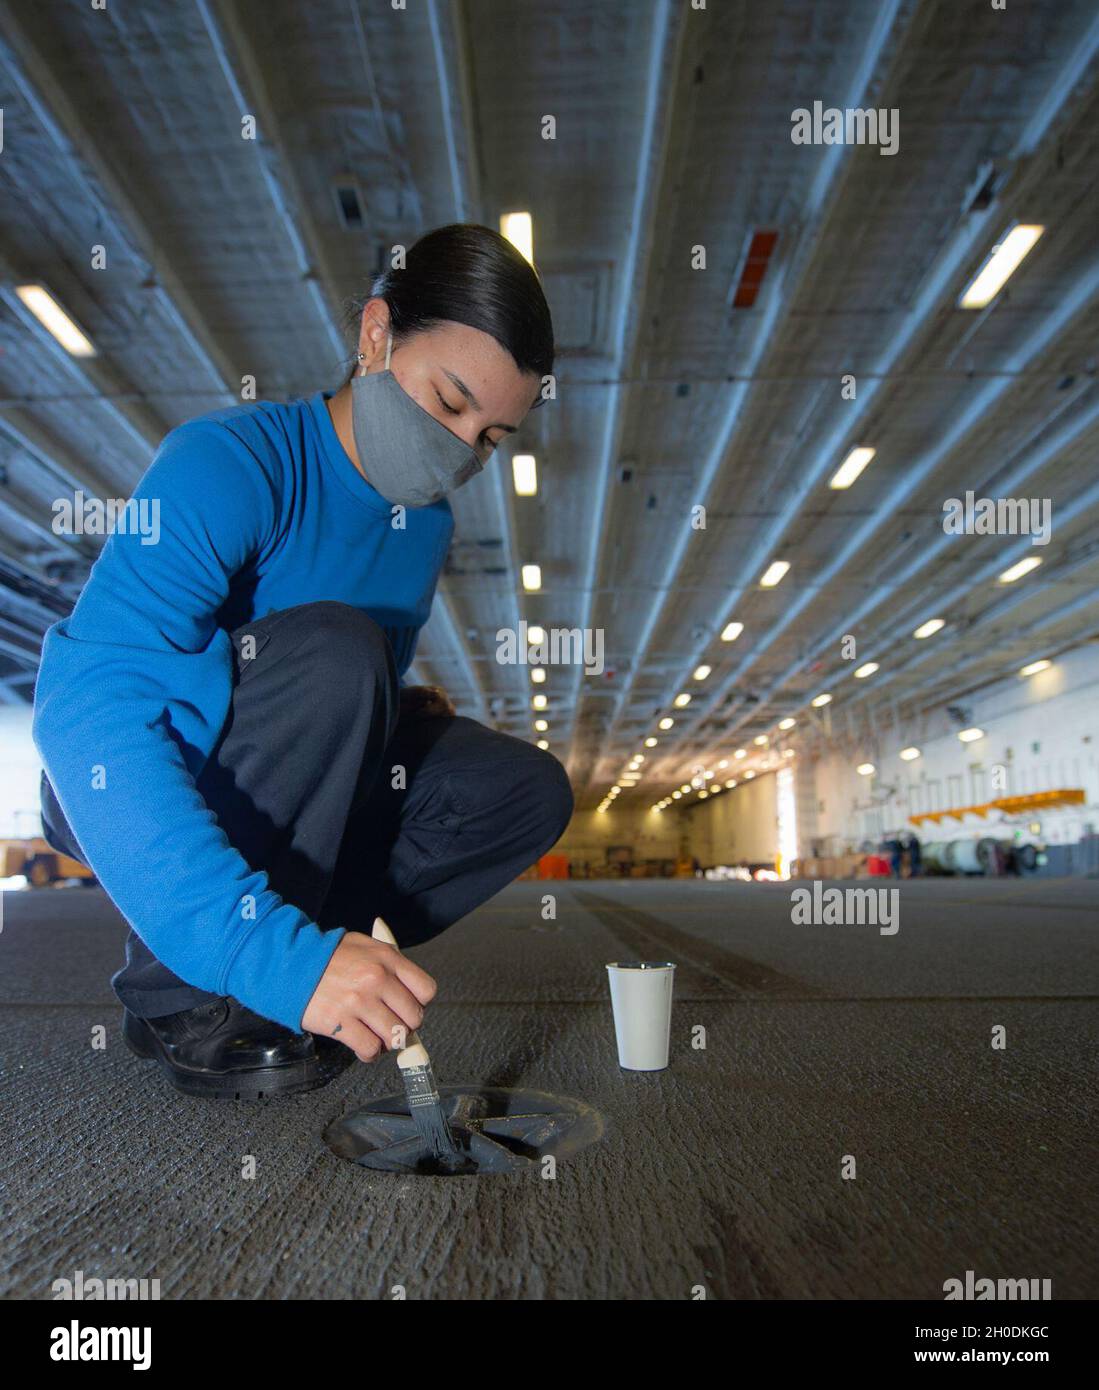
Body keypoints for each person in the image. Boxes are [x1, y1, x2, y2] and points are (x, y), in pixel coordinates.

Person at [34, 224, 573, 1100]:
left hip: (297, 747)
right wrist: (260, 952)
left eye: (490, 436)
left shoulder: (423, 526)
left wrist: (394, 709)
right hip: (124, 769)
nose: (460, 451)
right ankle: (185, 993)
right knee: (338, 649)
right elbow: (85, 702)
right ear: (374, 335)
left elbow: (345, 712)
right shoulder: (226, 464)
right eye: (448, 401)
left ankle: (309, 947)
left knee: (522, 790)